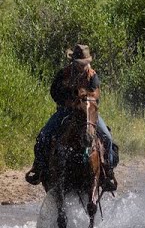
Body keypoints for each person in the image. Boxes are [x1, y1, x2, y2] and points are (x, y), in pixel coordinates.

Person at [25, 44, 118, 192]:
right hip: (65, 111)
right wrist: (68, 102)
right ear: (74, 62)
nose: (84, 66)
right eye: (81, 63)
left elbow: (96, 97)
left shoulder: (92, 75)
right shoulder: (64, 74)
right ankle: (39, 168)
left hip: (88, 112)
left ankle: (108, 172)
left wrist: (84, 102)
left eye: (86, 62)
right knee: (44, 135)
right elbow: (54, 92)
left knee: (107, 136)